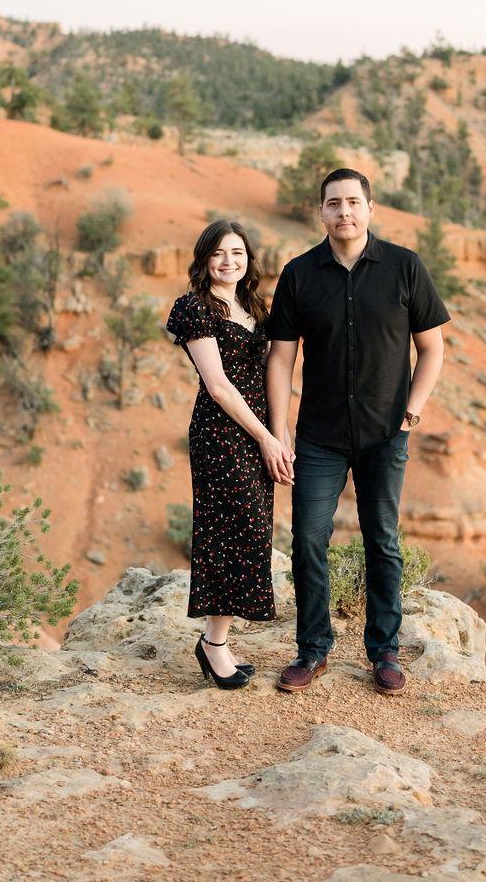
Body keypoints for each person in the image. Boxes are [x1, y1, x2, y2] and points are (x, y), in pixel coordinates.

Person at [266, 168, 449, 695]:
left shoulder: (405, 267)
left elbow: (432, 348)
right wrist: (279, 431)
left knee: (382, 540)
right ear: (321, 212)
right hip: (318, 437)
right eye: (333, 203)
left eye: (352, 202)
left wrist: (411, 413)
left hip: (385, 434)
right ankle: (312, 650)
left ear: (371, 208)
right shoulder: (299, 274)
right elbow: (280, 358)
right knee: (308, 539)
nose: (343, 211)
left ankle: (384, 652)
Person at [164, 219, 295, 690]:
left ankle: (217, 638)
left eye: (237, 252)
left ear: (248, 260)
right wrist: (266, 438)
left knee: (252, 529)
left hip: (258, 431)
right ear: (204, 260)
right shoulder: (195, 308)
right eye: (218, 252)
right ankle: (213, 643)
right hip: (221, 434)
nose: (228, 261)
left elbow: (271, 373)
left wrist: (281, 433)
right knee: (231, 529)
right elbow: (218, 386)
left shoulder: (254, 306)